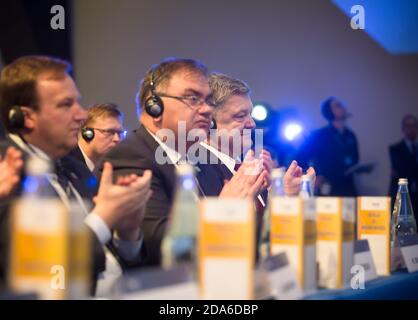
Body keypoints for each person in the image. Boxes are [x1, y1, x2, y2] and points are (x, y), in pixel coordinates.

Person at [0, 55, 152, 296]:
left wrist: (128, 230)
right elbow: (47, 275)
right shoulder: (7, 172)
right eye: (65, 104)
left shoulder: (75, 169)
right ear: (26, 118)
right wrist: (103, 219)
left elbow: (122, 260)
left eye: (78, 103)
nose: (81, 115)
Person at [98, 58, 268, 265]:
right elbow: (157, 249)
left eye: (207, 101)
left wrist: (279, 202)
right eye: (193, 99)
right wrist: (223, 209)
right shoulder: (132, 157)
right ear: (155, 106)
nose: (206, 110)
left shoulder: (199, 161)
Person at [298, 97, 358, 196]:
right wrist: (311, 177)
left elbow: (355, 159)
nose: (343, 107)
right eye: (338, 106)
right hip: (327, 186)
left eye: (342, 105)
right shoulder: (319, 135)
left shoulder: (350, 135)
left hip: (347, 186)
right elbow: (301, 157)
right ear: (329, 112)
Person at [69, 103, 127, 171]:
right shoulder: (66, 165)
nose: (117, 139)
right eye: (109, 132)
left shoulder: (112, 166)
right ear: (87, 133)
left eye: (120, 133)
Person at [389, 114, 418, 217]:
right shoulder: (395, 149)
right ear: (403, 129)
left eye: (414, 126)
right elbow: (403, 170)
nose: (412, 129)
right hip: (402, 196)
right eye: (408, 126)